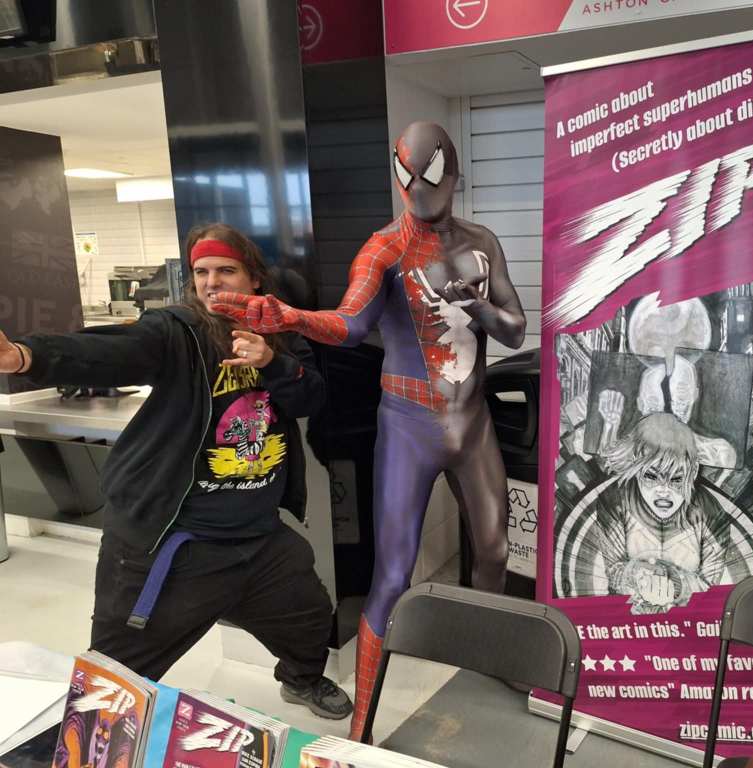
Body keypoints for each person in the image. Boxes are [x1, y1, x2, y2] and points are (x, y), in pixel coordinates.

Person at [212, 122, 527, 741]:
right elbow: (351, 324)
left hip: (472, 418)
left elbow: (515, 329)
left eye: (430, 174)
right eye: (406, 174)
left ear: (455, 175)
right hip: (408, 423)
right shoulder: (383, 249)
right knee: (393, 572)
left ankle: (489, 655)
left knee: (493, 550)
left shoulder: (481, 241)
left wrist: (475, 304)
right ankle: (362, 724)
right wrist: (295, 318)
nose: (417, 188)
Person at [0, 223, 351, 720]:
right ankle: (96, 730)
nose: (212, 281)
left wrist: (272, 360)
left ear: (253, 278)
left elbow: (311, 397)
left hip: (259, 537)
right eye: (201, 272)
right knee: (112, 684)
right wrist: (25, 356)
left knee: (309, 616)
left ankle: (302, 680)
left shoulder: (281, 330)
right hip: (173, 540)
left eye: (226, 270)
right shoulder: (176, 331)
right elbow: (112, 352)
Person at [593, 413, 729, 614]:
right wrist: (637, 575)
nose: (663, 489)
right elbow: (613, 571)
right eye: (651, 476)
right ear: (635, 465)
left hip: (686, 625)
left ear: (693, 472)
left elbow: (710, 588)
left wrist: (675, 585)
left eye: (676, 479)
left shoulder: (711, 513)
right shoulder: (614, 500)